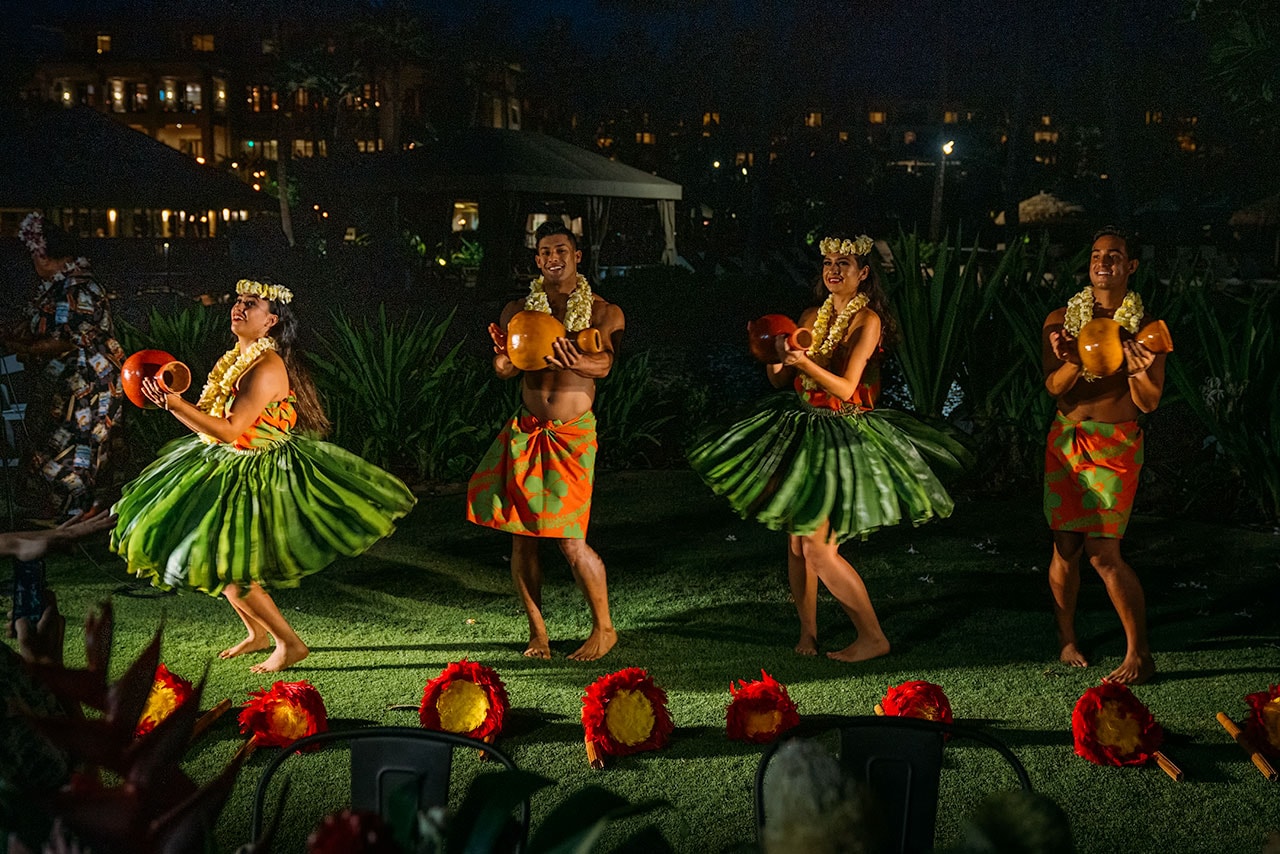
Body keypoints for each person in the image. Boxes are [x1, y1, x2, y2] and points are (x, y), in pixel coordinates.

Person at [110, 279, 416, 673]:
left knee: (229, 570)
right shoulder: (238, 358)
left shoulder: (267, 367)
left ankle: (289, 644)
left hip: (260, 472)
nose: (239, 307)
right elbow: (212, 424)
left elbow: (230, 429)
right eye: (238, 301)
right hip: (225, 461)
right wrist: (175, 402)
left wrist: (174, 406)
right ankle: (256, 634)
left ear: (270, 321)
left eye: (250, 304)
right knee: (216, 560)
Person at [688, 234, 968, 662]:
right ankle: (808, 634)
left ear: (864, 274)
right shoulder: (809, 315)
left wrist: (805, 363)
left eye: (844, 263)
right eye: (828, 263)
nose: (833, 270)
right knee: (798, 541)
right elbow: (781, 382)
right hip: (804, 427)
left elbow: (847, 387)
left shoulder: (867, 321)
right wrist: (776, 354)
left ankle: (872, 636)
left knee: (819, 547)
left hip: (846, 433)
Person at [466, 222, 624, 661]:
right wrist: (504, 357)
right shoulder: (519, 311)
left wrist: (581, 359)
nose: (553, 257)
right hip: (528, 428)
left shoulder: (602, 311)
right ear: (536, 261)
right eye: (544, 252)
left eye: (561, 250)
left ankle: (604, 630)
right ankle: (538, 634)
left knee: (571, 540)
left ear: (577, 257)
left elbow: (605, 365)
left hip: (572, 435)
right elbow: (504, 370)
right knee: (522, 537)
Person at [1042, 227, 1164, 685]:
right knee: (1066, 546)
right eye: (1096, 254)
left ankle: (1140, 653)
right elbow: (1054, 386)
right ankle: (1067, 638)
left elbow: (1150, 402)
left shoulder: (1145, 328)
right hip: (1066, 439)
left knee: (1103, 552)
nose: (1104, 261)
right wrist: (1073, 357)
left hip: (1115, 444)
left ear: (1131, 266)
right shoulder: (1060, 319)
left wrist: (1136, 369)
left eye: (1115, 255)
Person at [1, 212, 124, 518]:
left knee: (74, 447)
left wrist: (22, 346)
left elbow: (64, 340)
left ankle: (73, 517)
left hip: (84, 386)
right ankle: (61, 516)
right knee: (55, 443)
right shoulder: (59, 287)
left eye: (34, 256)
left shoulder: (76, 289)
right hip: (64, 384)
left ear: (43, 255)